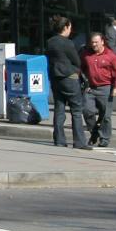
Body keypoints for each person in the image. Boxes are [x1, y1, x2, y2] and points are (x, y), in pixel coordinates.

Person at [45, 15, 87, 148]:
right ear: (65, 27)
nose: (71, 30)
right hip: (69, 77)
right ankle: (79, 141)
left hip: (55, 77)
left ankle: (59, 140)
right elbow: (77, 60)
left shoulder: (50, 41)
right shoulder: (67, 43)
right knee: (76, 110)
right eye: (70, 27)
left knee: (59, 108)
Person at [80, 30, 116, 148]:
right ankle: (94, 132)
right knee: (87, 111)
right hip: (91, 88)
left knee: (105, 116)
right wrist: (84, 82)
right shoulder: (86, 54)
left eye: (96, 42)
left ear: (102, 42)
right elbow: (81, 69)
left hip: (106, 88)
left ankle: (104, 138)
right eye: (92, 42)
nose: (94, 44)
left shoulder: (111, 56)